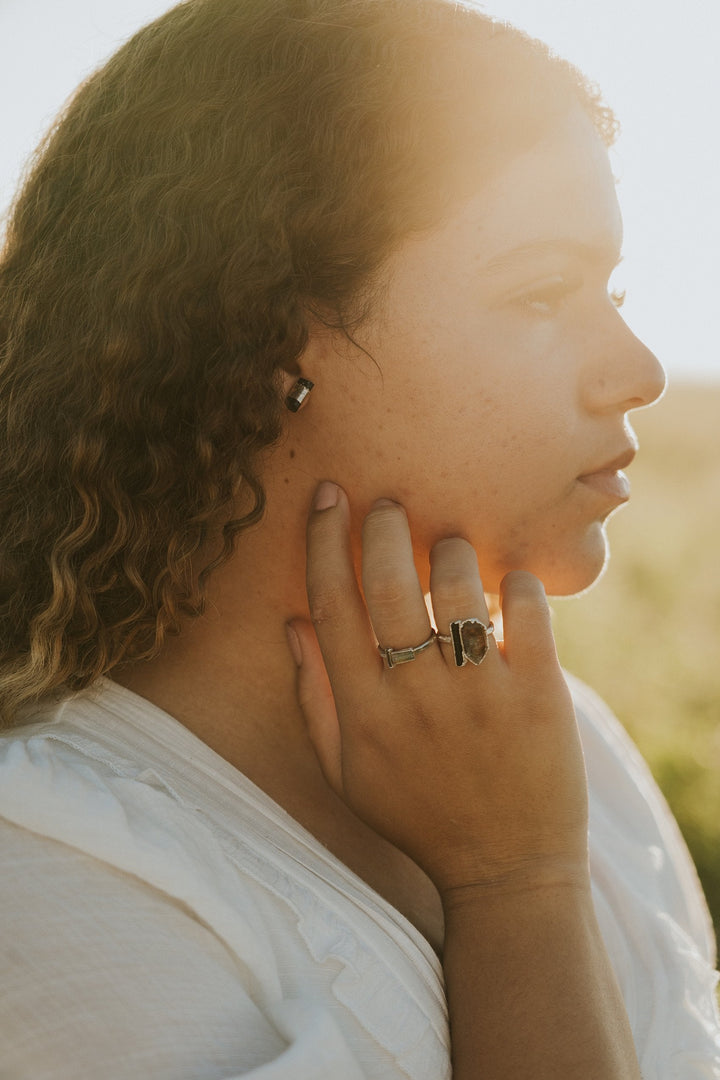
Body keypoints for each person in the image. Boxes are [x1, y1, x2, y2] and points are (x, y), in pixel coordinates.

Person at [0, 0, 718, 1076]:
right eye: (540, 292)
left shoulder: (563, 746)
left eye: (611, 291)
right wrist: (516, 887)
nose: (641, 372)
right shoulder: (45, 871)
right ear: (259, 340)